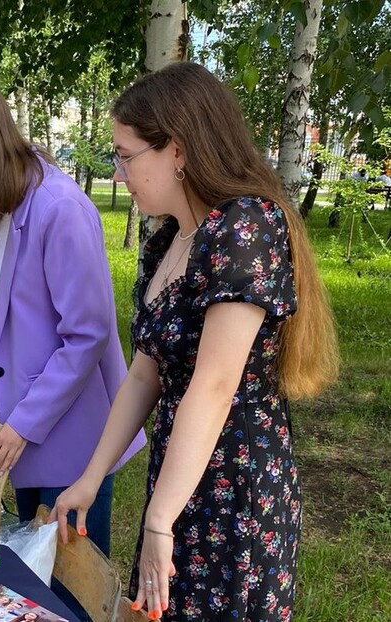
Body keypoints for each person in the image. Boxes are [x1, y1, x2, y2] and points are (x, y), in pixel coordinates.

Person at [49, 62, 339, 621]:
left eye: (126, 155)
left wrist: (159, 519)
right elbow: (143, 374)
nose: (120, 170)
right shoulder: (168, 243)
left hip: (235, 483)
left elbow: (214, 384)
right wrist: (91, 477)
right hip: (181, 473)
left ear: (177, 150)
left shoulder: (246, 227)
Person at [0, 70, 145, 555]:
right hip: (24, 435)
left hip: (72, 443)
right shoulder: (2, 206)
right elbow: (7, 324)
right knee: (32, 576)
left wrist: (23, 423)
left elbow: (88, 335)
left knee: (71, 585)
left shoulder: (60, 209)